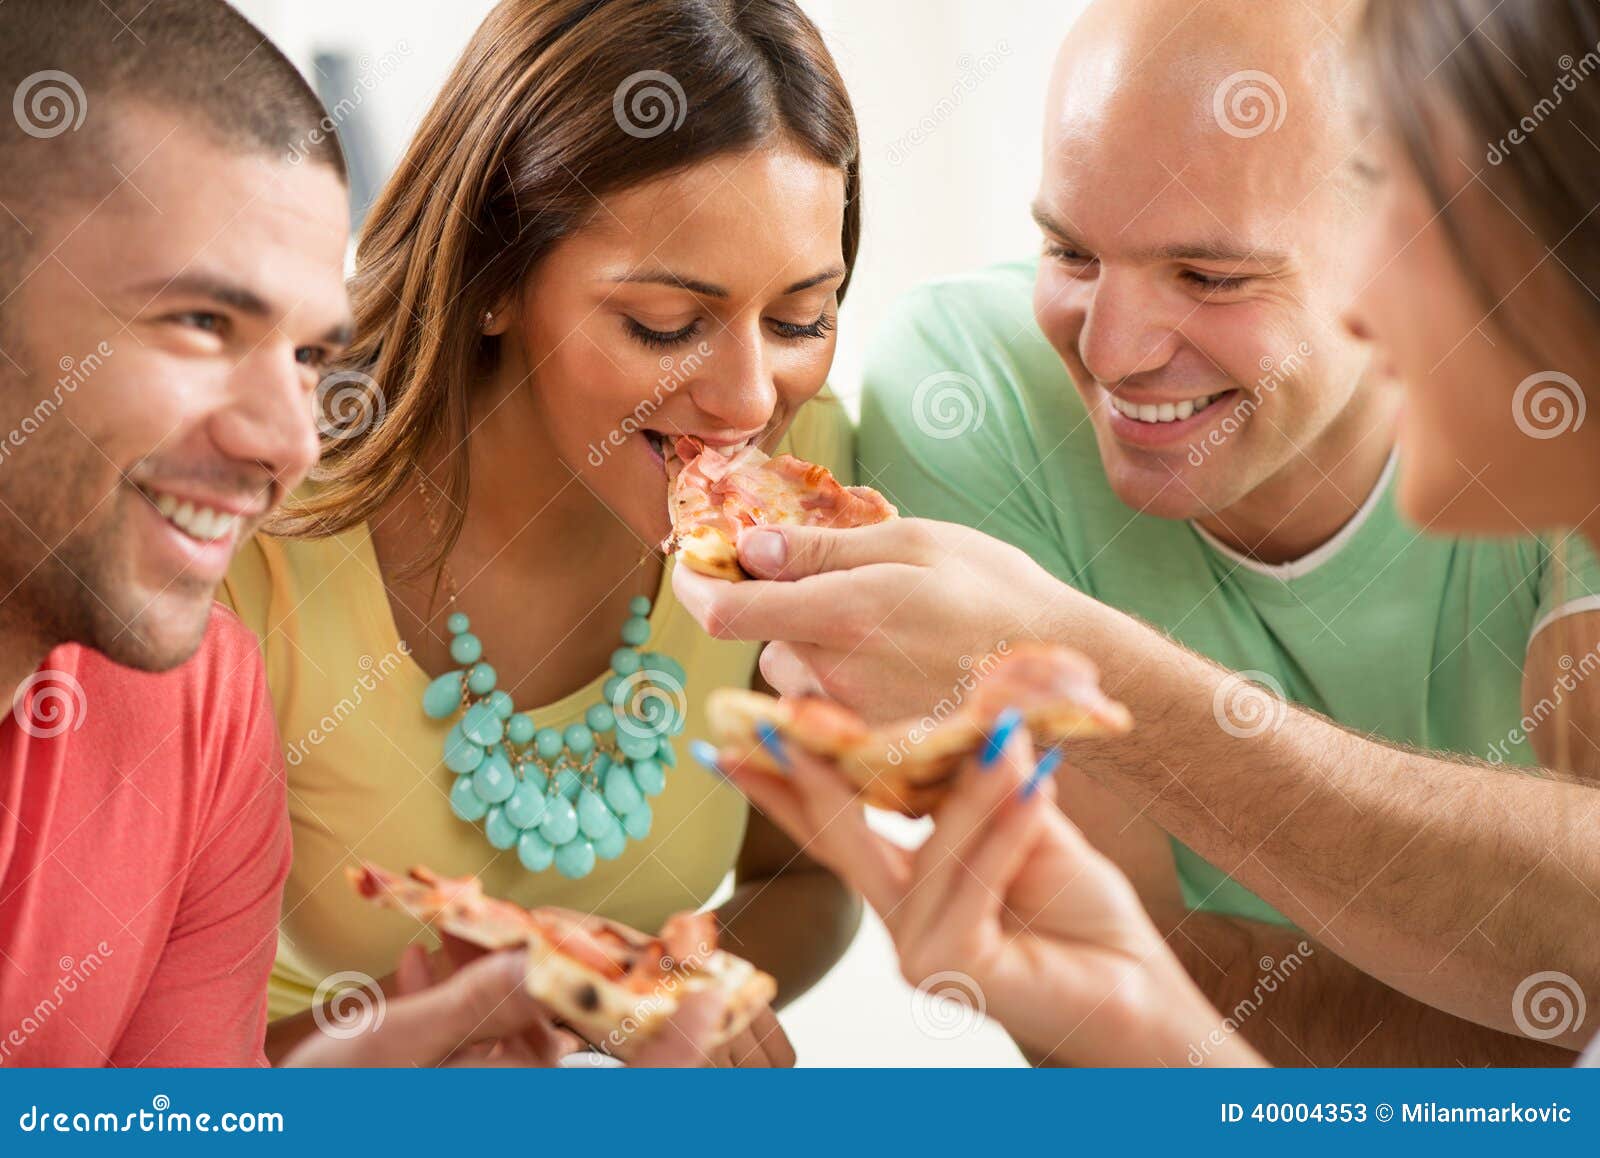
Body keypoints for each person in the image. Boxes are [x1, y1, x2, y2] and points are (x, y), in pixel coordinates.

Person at [674, 0, 1600, 1065]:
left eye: (1210, 277)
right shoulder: (965, 389)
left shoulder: (1550, 373)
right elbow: (1126, 977)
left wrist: (1075, 665)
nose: (1112, 353)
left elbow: (1577, 961)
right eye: (1067, 252)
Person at [0, 0, 716, 1067]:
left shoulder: (201, 703)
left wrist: (332, 1104)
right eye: (203, 324)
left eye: (305, 357)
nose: (289, 440)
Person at [219, 0, 861, 1066]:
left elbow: (803, 878)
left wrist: (681, 995)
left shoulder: (808, 489)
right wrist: (405, 1047)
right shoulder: (254, 514)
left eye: (802, 319)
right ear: (492, 278)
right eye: (666, 324)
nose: (751, 398)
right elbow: (118, 1051)